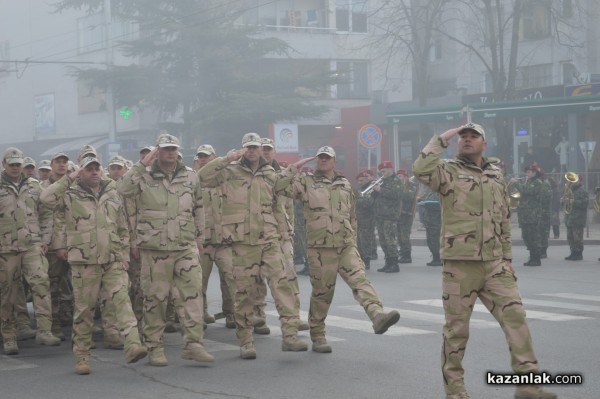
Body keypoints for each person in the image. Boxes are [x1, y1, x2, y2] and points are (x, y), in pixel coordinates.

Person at [413, 123, 556, 399]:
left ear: (484, 144)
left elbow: (502, 218)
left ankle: (528, 384)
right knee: (457, 332)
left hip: (495, 265)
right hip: (459, 266)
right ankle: (455, 390)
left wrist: (506, 257)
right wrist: (441, 139)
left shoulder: (495, 175)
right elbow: (421, 169)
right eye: (463, 137)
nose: (466, 140)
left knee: (517, 319)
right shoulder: (447, 172)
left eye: (473, 136)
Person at [275, 146, 400, 353]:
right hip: (320, 248)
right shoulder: (305, 182)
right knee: (323, 294)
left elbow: (352, 215)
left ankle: (377, 316)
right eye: (320, 158)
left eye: (327, 158)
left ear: (334, 162)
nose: (323, 160)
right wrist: (293, 168)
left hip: (345, 245)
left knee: (360, 280)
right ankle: (318, 335)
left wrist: (353, 240)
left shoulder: (344, 184)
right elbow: (279, 188)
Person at [198, 132, 307, 360]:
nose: (251, 151)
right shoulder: (229, 171)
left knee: (282, 285)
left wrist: (293, 170)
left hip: (269, 239)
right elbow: (203, 177)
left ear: (260, 149)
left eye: (255, 147)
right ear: (242, 149)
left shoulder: (269, 173)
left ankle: (290, 336)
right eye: (247, 147)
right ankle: (246, 341)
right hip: (241, 243)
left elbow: (281, 190)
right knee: (244, 294)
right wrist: (226, 159)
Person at [118, 132, 214, 366]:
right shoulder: (143, 175)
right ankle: (155, 347)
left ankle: (194, 344)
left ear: (178, 151)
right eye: (165, 148)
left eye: (173, 148)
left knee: (193, 295)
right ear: (157, 151)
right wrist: (142, 164)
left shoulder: (190, 176)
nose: (170, 152)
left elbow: (199, 207)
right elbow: (122, 190)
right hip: (155, 248)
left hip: (185, 245)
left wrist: (200, 237)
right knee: (156, 299)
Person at [48, 157, 147, 374]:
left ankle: (132, 344)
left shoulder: (112, 195)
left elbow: (122, 227)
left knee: (122, 300)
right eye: (88, 169)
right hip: (84, 262)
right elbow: (46, 198)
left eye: (96, 169)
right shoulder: (69, 195)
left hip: (112, 259)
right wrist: (70, 176)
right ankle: (82, 356)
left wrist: (123, 254)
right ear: (81, 172)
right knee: (84, 311)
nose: (93, 172)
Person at [0, 147, 61, 355]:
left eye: (19, 164)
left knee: (41, 282)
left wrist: (44, 238)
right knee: (7, 291)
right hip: (6, 248)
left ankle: (45, 330)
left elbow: (45, 213)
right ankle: (9, 335)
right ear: (4, 165)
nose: (16, 168)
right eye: (12, 164)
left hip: (32, 245)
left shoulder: (34, 186)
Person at [193, 144, 235, 329]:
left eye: (207, 156)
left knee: (231, 277)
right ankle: (199, 315)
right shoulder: (192, 179)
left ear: (214, 157)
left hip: (224, 240)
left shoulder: (224, 177)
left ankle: (232, 313)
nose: (203, 159)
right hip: (203, 242)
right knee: (198, 281)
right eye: (201, 157)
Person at [372, 161, 403, 272]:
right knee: (383, 240)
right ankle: (388, 262)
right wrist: (374, 189)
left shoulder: (397, 181)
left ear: (390, 169)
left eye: (384, 171)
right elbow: (376, 196)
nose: (382, 173)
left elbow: (397, 195)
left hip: (390, 215)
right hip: (380, 215)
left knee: (390, 240)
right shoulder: (383, 181)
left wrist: (380, 189)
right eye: (381, 171)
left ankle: (394, 264)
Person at [513, 163, 544, 266]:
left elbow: (528, 191)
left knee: (533, 237)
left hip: (533, 215)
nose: (527, 174)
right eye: (526, 172)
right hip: (525, 215)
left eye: (529, 172)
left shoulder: (537, 183)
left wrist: (517, 184)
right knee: (527, 237)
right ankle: (532, 257)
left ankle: (536, 258)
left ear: (535, 173)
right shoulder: (528, 182)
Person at [563, 175, 589, 261]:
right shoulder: (569, 190)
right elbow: (566, 204)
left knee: (577, 238)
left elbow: (585, 203)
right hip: (570, 218)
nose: (572, 182)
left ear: (579, 181)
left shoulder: (582, 191)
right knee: (570, 237)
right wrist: (563, 201)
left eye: (574, 181)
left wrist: (574, 201)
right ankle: (573, 252)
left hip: (578, 218)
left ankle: (578, 254)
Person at [355, 171, 376, 269]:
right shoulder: (361, 189)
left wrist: (355, 200)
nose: (359, 182)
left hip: (368, 219)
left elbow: (368, 202)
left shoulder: (372, 189)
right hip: (359, 218)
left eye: (361, 180)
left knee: (365, 240)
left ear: (367, 179)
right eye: (358, 181)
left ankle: (366, 261)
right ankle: (361, 259)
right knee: (359, 240)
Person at [395, 169, 416, 264]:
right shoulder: (398, 186)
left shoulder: (411, 185)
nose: (398, 178)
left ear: (405, 177)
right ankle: (402, 253)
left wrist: (399, 191)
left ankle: (407, 256)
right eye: (397, 176)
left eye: (400, 176)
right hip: (398, 214)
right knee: (399, 235)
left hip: (407, 214)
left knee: (404, 236)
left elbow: (409, 196)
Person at [419, 185, 442, 266]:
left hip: (436, 220)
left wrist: (426, 204)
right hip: (429, 221)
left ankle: (438, 258)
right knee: (430, 240)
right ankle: (435, 257)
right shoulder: (430, 192)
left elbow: (439, 205)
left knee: (435, 240)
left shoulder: (440, 192)